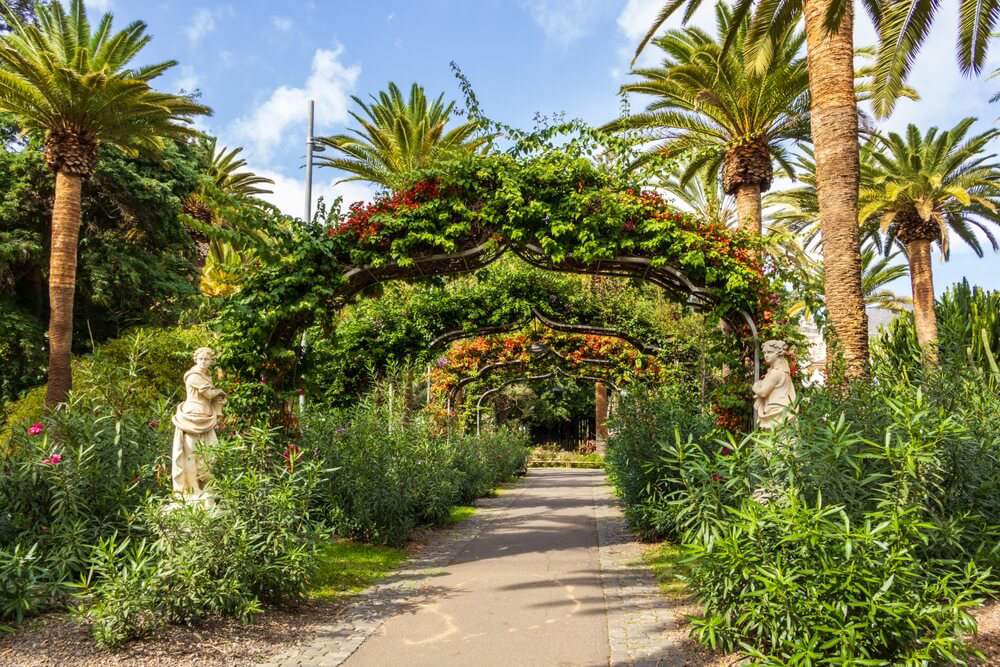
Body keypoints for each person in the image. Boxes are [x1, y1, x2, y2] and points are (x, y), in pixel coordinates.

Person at [171, 347, 225, 504]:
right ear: (195, 359)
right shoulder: (193, 376)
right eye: (200, 359)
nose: (203, 362)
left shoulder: (206, 375)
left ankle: (205, 485)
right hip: (191, 418)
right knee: (190, 454)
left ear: (211, 361)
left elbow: (210, 397)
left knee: (210, 453)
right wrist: (220, 391)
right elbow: (208, 394)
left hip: (205, 417)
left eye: (206, 359)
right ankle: (192, 489)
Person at [752, 340, 796, 429]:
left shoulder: (775, 373)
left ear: (778, 353)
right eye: (764, 352)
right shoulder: (783, 370)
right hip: (780, 408)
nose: (766, 355)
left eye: (770, 352)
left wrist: (755, 387)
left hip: (776, 411)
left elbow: (763, 393)